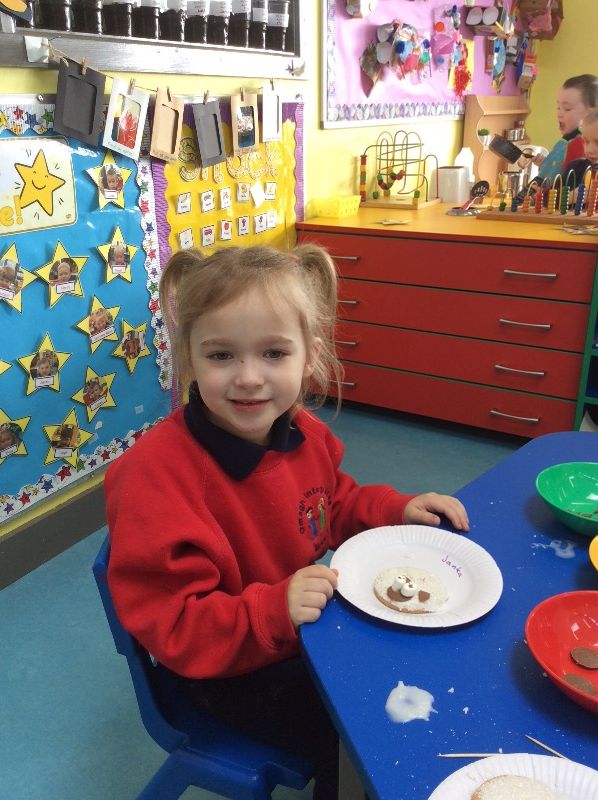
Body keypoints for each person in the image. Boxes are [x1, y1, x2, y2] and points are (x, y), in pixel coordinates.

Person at [105, 244, 469, 800]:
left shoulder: (303, 433)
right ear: (189, 358)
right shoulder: (152, 479)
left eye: (274, 353)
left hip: (296, 630)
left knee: (414, 663)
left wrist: (394, 511)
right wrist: (272, 610)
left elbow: (331, 505)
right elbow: (174, 624)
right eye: (221, 355)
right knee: (362, 732)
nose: (249, 378)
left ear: (309, 356)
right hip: (224, 670)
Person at [532, 74, 597, 182]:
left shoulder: (579, 145)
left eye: (567, 109)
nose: (559, 114)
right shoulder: (563, 142)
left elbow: (567, 181)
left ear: (590, 113)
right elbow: (557, 170)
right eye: (558, 107)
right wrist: (544, 163)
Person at [561, 108, 598, 186]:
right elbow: (554, 190)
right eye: (586, 141)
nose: (590, 150)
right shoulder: (575, 168)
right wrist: (572, 193)